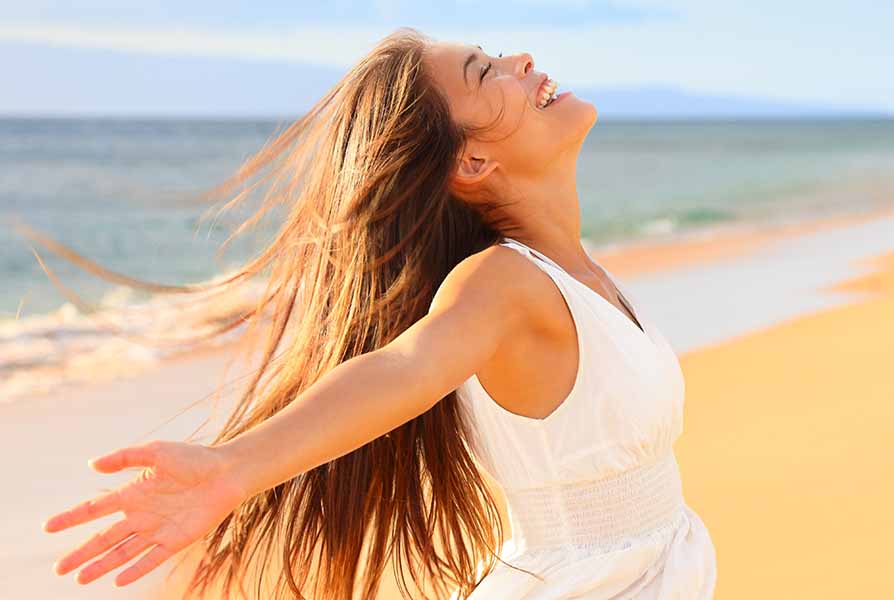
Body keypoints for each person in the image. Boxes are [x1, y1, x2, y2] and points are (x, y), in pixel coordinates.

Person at [38, 28, 717, 599]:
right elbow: (406, 365)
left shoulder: (576, 273)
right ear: (473, 159)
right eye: (489, 72)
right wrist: (235, 467)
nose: (524, 62)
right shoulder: (504, 283)